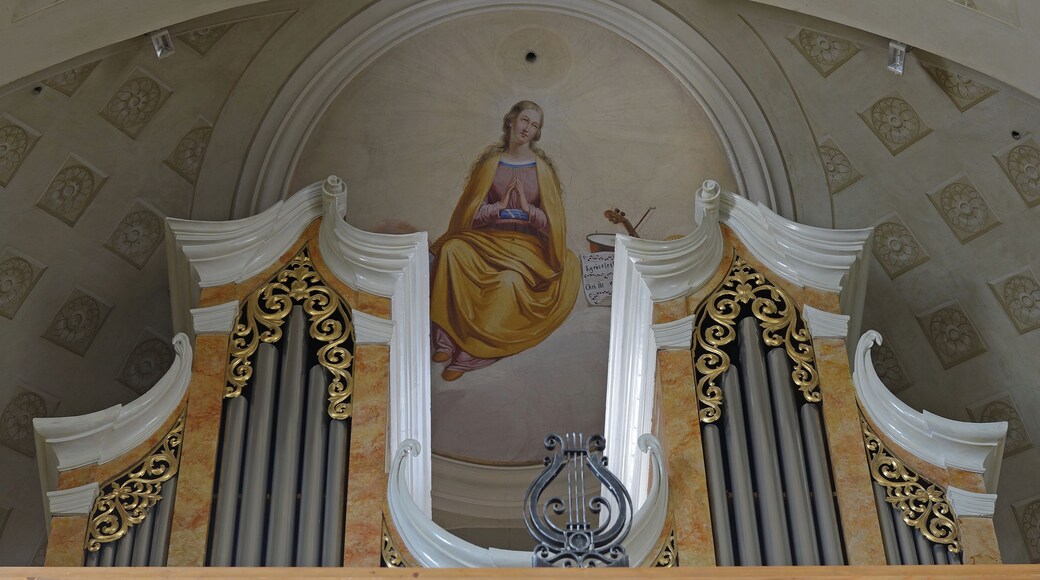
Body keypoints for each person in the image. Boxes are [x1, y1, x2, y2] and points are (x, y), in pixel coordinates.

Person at [430, 100, 580, 381]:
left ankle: (471, 354)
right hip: (485, 239)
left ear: (537, 133)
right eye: (524, 120)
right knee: (451, 250)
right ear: (511, 121)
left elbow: (553, 225)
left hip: (527, 248)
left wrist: (528, 210)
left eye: (534, 125)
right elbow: (470, 213)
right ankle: (447, 339)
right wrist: (496, 208)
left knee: (507, 282)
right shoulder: (490, 165)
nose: (527, 128)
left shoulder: (542, 171)